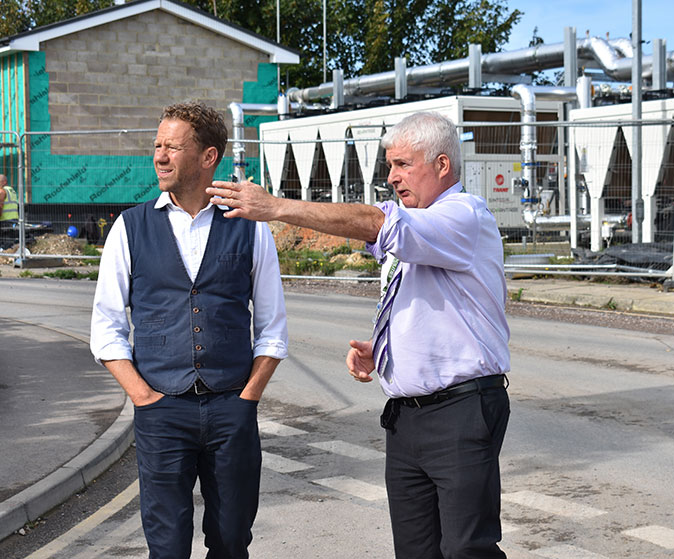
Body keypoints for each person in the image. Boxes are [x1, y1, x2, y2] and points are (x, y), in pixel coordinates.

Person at [207, 111, 511, 559]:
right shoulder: (422, 225)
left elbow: (374, 223)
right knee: (415, 551)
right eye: (389, 166)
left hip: (461, 412)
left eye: (404, 164)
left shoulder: (463, 216)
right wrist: (386, 349)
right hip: (407, 418)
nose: (392, 177)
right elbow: (428, 301)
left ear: (442, 166)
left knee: (468, 550)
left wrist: (277, 207)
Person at [90, 101, 288, 559]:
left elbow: (273, 327)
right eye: (157, 145)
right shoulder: (130, 227)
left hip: (230, 410)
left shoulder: (250, 228)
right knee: (168, 546)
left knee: (232, 540)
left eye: (172, 147)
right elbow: (105, 328)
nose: (159, 156)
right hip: (162, 411)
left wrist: (247, 399)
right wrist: (144, 398)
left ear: (208, 157)